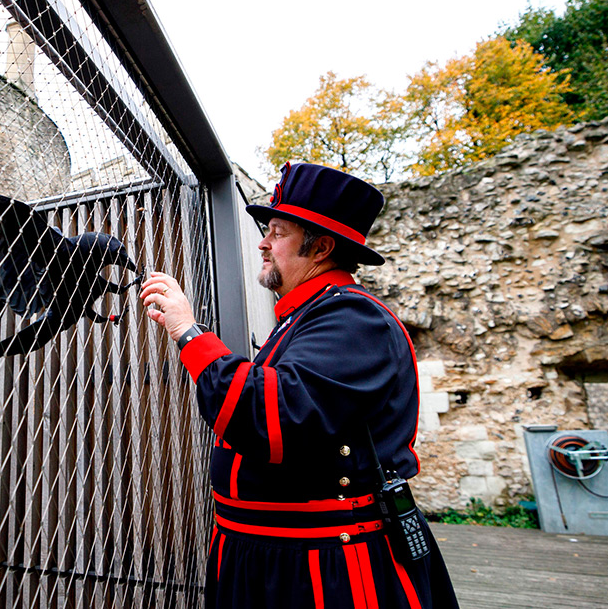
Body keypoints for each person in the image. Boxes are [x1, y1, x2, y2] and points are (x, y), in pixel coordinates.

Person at [140, 162, 458, 608]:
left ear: (322, 247)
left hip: (321, 568)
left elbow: (270, 420)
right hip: (269, 556)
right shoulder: (311, 316)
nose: (263, 244)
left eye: (277, 232)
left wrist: (189, 332)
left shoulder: (354, 318)